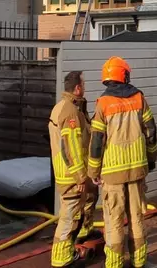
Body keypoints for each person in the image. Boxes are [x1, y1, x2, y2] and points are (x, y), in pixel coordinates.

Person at [88, 57, 157, 268]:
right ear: (124, 75)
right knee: (136, 218)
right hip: (137, 170)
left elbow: (97, 141)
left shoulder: (103, 103)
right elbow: (151, 131)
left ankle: (115, 264)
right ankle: (139, 262)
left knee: (114, 221)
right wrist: (150, 160)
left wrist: (93, 170)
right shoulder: (139, 98)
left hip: (112, 174)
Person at [49, 71, 98, 267]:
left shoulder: (69, 108)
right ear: (77, 88)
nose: (85, 87)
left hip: (71, 173)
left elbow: (81, 137)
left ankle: (80, 237)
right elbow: (71, 148)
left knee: (78, 209)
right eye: (83, 84)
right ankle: (61, 259)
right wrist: (80, 177)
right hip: (71, 175)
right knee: (69, 217)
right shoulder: (69, 111)